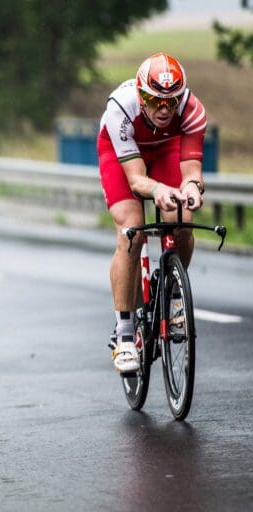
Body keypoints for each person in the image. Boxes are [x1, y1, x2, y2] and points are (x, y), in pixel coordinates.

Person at [97, 52, 206, 374]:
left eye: (171, 102)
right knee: (132, 230)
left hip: (167, 147)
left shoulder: (192, 110)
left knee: (183, 218)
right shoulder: (121, 108)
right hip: (122, 155)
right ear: (141, 95)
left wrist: (191, 189)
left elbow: (192, 171)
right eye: (154, 100)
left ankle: (173, 295)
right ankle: (125, 332)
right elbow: (136, 180)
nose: (163, 108)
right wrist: (158, 190)